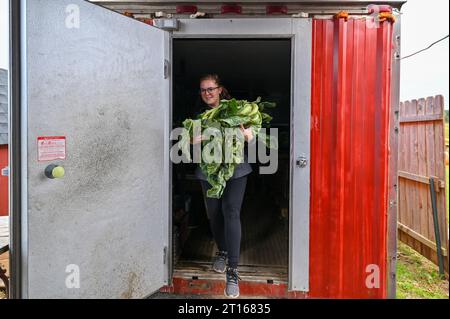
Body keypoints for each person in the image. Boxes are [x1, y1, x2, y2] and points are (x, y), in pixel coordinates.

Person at [192, 74, 253, 298]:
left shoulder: (236, 110)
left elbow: (252, 136)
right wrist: (192, 139)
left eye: (211, 89)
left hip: (235, 171)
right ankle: (223, 251)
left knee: (231, 212)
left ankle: (233, 272)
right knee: (215, 214)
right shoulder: (198, 115)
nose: (207, 93)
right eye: (203, 90)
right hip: (208, 171)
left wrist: (248, 135)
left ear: (220, 90)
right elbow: (188, 139)